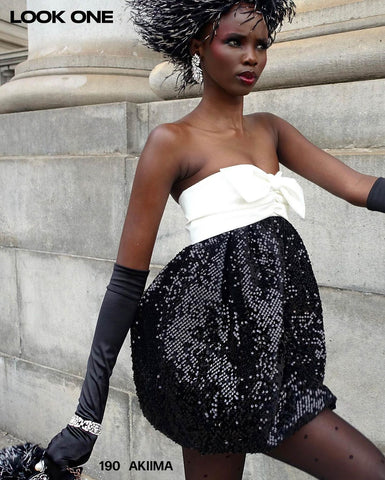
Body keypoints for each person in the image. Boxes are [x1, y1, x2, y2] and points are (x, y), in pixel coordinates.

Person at [34, 1, 385, 479]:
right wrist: (86, 418)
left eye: (261, 44)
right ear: (199, 45)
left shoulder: (272, 130)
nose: (252, 57)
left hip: (275, 359)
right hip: (204, 358)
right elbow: (125, 284)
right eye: (235, 42)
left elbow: (361, 188)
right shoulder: (171, 141)